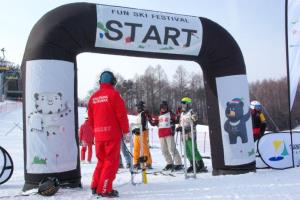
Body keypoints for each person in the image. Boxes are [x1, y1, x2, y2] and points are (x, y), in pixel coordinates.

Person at [88, 71, 129, 198]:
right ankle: (105, 189)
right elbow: (121, 115)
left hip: (99, 136)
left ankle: (95, 186)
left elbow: (90, 119)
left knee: (101, 161)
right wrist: (126, 131)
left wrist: (96, 131)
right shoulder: (114, 95)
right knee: (111, 162)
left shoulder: (93, 97)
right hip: (112, 135)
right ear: (113, 82)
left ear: (100, 82)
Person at [176, 97, 207, 173]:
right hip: (184, 135)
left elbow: (195, 122)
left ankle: (200, 165)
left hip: (190, 134)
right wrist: (179, 127)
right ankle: (193, 165)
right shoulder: (182, 113)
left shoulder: (191, 112)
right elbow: (181, 123)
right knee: (187, 151)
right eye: (182, 103)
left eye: (184, 103)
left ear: (188, 104)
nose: (182, 105)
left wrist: (186, 128)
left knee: (193, 150)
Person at [150, 101, 183, 171]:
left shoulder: (170, 114)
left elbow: (177, 120)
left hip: (169, 134)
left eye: (165, 107)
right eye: (162, 107)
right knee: (164, 150)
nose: (163, 109)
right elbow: (153, 123)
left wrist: (179, 113)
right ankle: (169, 163)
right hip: (161, 134)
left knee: (172, 148)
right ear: (160, 108)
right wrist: (149, 118)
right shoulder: (159, 115)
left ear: (167, 107)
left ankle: (178, 163)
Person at [132, 101, 153, 170]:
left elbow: (143, 124)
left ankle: (148, 162)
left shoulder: (143, 114)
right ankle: (136, 162)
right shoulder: (139, 114)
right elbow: (138, 124)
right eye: (137, 107)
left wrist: (137, 129)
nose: (137, 108)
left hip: (143, 132)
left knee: (144, 148)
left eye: (138, 107)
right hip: (138, 133)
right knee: (136, 148)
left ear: (141, 107)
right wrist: (135, 129)